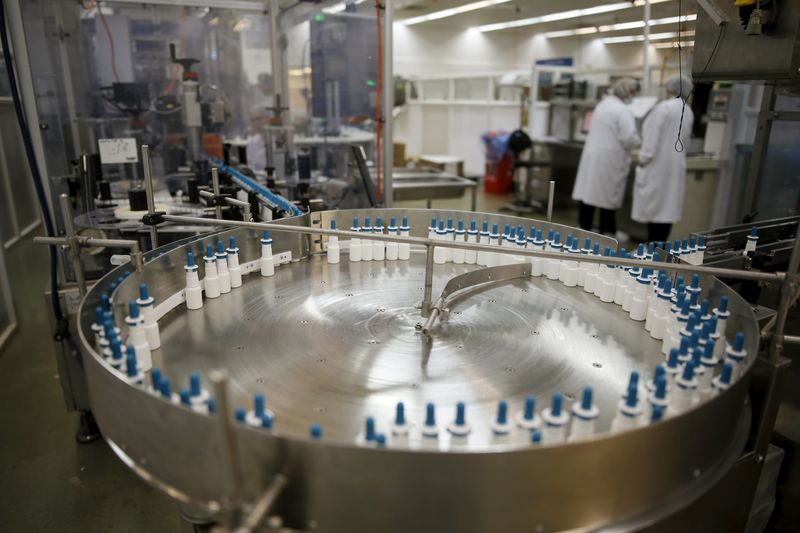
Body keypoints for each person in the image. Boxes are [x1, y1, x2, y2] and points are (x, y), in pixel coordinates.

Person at [572, 78, 641, 236]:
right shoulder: (623, 110)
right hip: (609, 160)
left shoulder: (602, 105)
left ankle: (585, 228)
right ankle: (608, 231)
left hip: (594, 156)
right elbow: (628, 138)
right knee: (607, 198)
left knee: (589, 194)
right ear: (629, 92)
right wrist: (641, 141)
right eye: (634, 92)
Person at [632, 75, 694, 243]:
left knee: (654, 210)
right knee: (667, 210)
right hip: (675, 167)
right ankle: (658, 249)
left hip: (657, 167)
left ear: (670, 88)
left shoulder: (663, 108)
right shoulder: (687, 110)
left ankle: (650, 249)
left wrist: (642, 160)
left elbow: (651, 141)